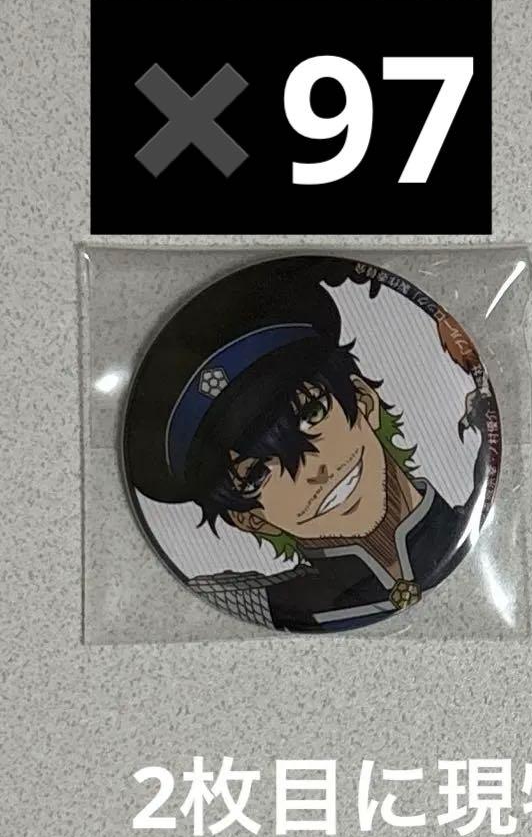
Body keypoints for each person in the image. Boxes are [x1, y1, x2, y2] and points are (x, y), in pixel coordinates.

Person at [125, 258, 486, 631]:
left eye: (313, 413)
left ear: (364, 401)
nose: (316, 470)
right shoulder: (264, 606)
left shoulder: (474, 520)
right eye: (257, 474)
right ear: (250, 519)